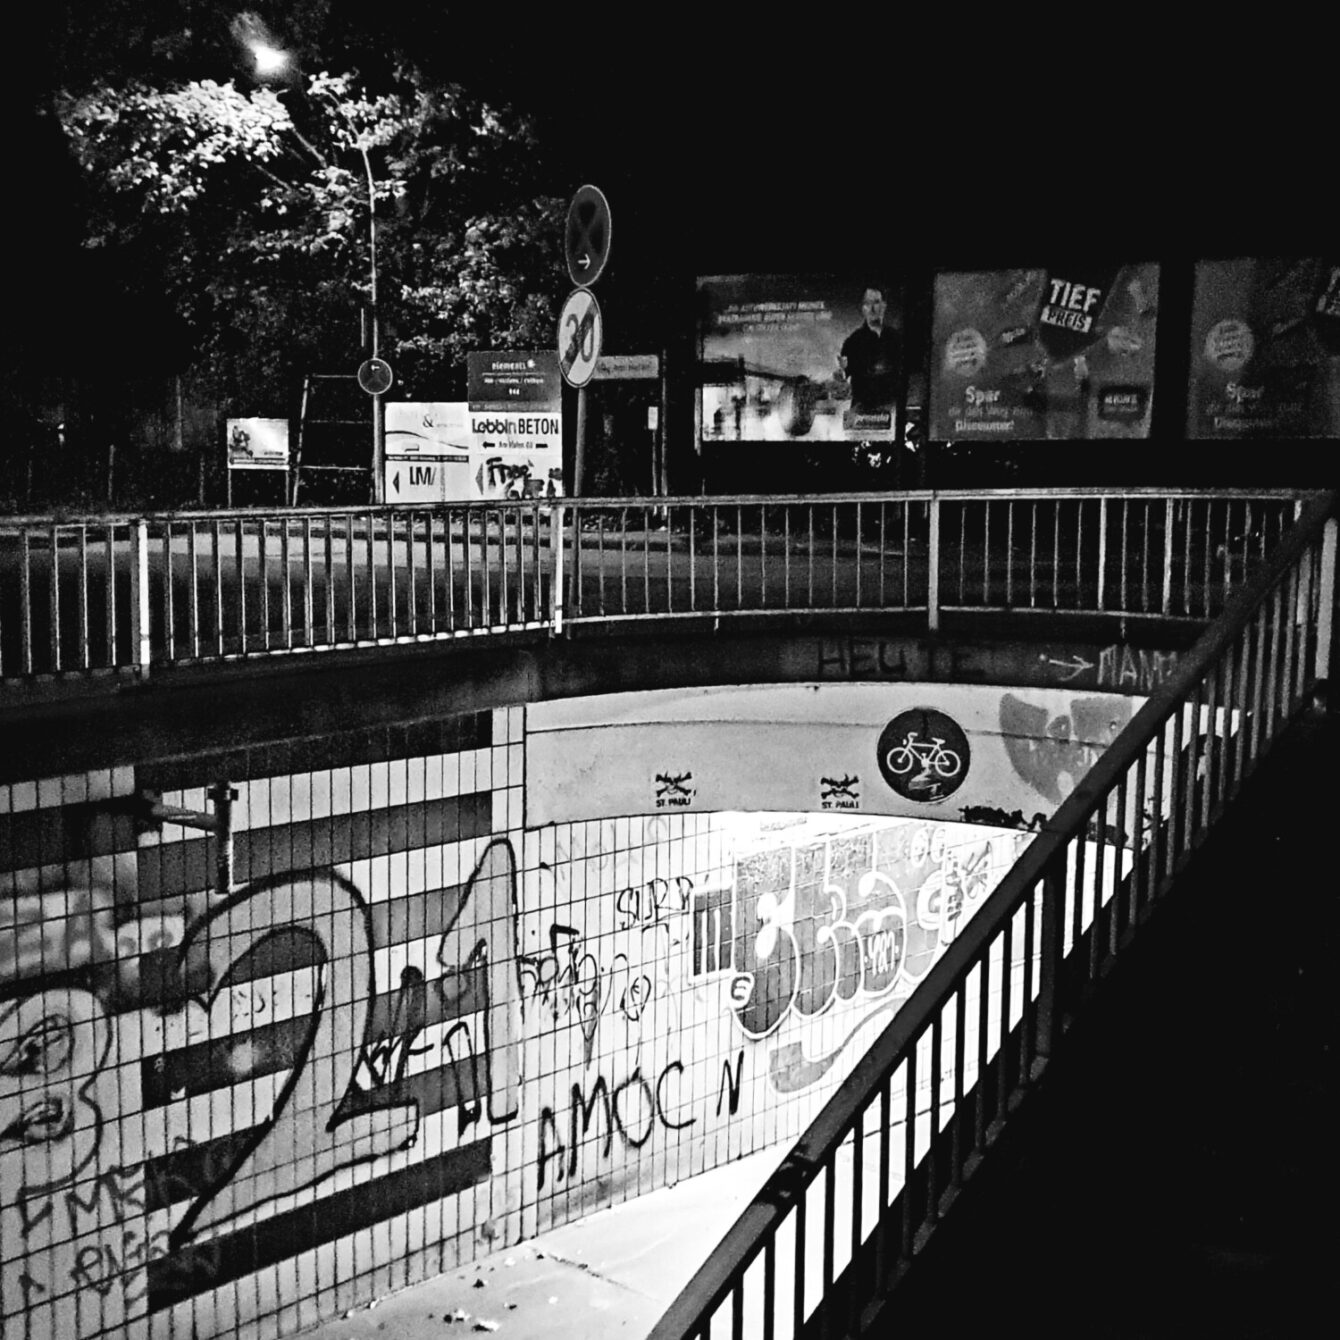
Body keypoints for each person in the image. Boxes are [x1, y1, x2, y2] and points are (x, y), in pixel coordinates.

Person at [839, 285, 901, 416]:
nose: (872, 308)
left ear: (884, 306)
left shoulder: (897, 339)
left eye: (876, 303)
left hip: (893, 414)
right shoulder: (852, 342)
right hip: (863, 418)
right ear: (863, 308)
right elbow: (843, 378)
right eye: (868, 303)